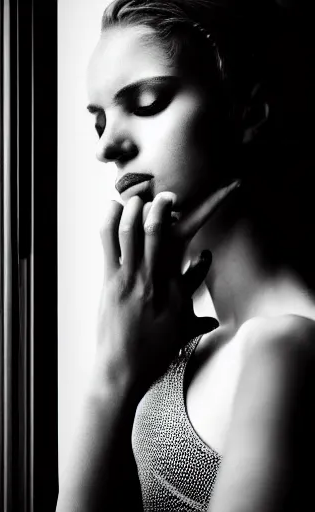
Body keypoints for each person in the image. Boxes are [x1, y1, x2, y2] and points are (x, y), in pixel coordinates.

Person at [55, 0, 315, 510]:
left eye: (147, 102)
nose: (108, 146)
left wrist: (111, 378)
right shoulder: (182, 350)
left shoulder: (285, 346)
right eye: (99, 122)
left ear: (248, 112)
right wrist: (117, 367)